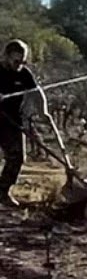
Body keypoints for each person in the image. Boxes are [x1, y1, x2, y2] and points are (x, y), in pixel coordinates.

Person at [0, 39, 40, 206]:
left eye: (23, 61)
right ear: (7, 56)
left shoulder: (24, 74)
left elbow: (36, 92)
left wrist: (43, 111)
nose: (20, 65)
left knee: (17, 158)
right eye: (17, 61)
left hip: (13, 121)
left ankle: (2, 192)